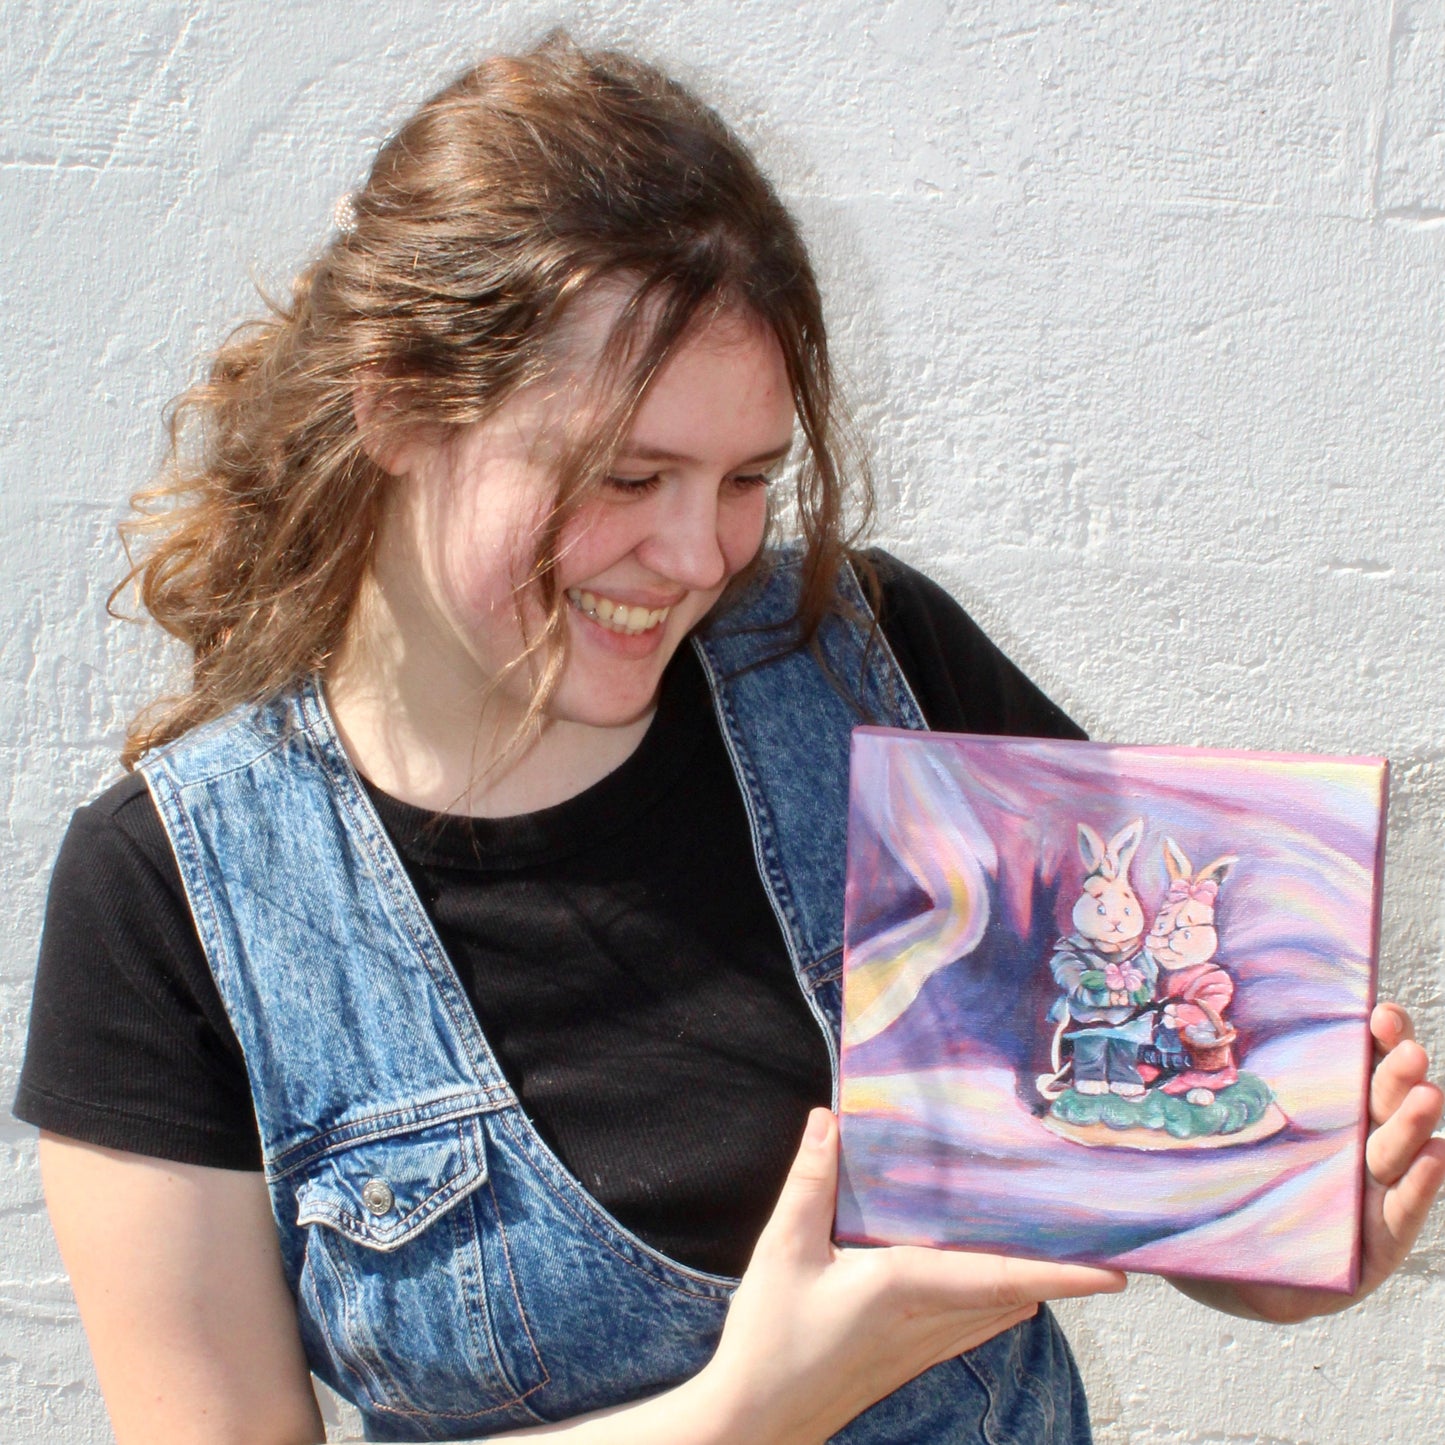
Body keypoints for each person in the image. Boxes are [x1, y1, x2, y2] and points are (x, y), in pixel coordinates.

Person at [14, 33, 1444, 1445]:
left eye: (748, 477)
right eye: (626, 476)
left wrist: (1287, 1237)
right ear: (396, 403)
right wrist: (752, 1410)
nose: (696, 555)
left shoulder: (871, 664)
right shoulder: (174, 896)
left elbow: (1146, 1165)